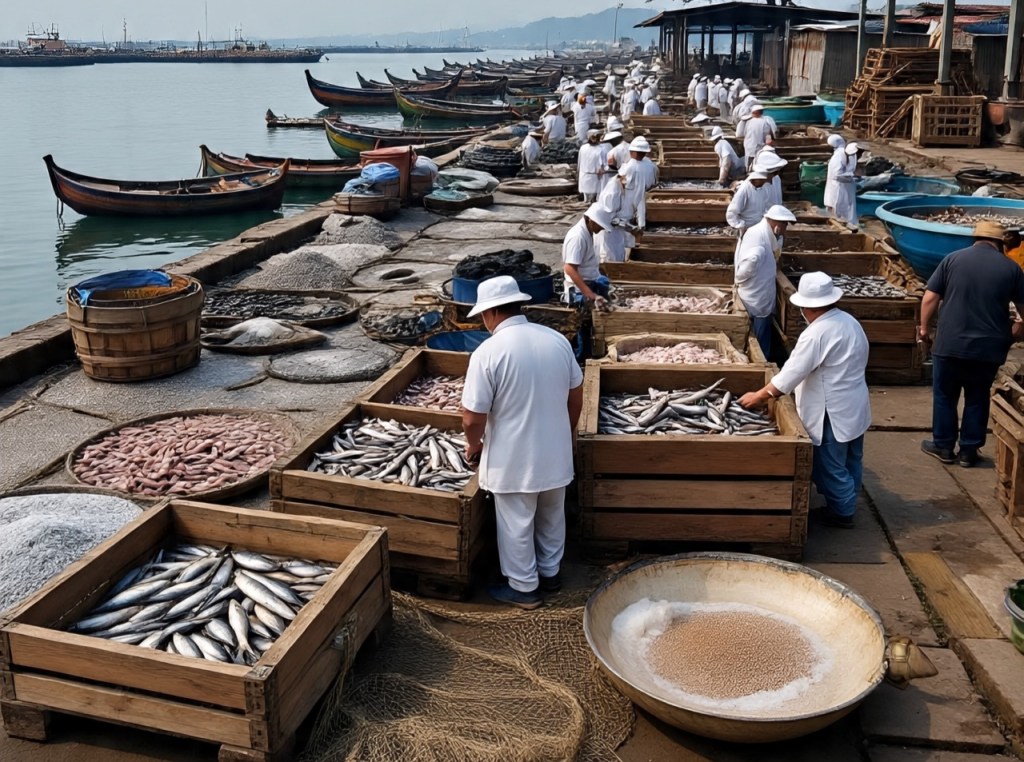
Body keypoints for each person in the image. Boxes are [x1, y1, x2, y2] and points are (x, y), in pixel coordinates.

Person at [461, 276, 584, 609]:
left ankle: (524, 588)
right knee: (551, 515)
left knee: (516, 522)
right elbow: (576, 395)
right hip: (556, 454)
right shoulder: (556, 340)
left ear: (491, 313)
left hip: (513, 459)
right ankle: (551, 573)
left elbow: (473, 417)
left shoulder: (488, 353)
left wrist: (474, 445)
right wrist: (565, 433)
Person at [739, 272, 871, 529]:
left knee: (829, 464)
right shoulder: (849, 321)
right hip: (855, 404)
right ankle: (848, 500)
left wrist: (759, 395)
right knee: (852, 459)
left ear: (807, 307)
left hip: (830, 410)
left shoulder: (817, 333)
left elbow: (792, 373)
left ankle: (842, 513)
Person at [919, 221, 1024, 467]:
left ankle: (943, 446)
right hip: (988, 348)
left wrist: (924, 329)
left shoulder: (952, 259)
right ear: (1000, 244)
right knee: (977, 397)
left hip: (950, 344)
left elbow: (930, 298)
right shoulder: (1012, 268)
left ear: (974, 239)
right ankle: (968, 451)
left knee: (945, 395)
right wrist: (1018, 330)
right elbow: (1022, 310)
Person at [734, 205, 796, 359]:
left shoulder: (764, 233)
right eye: (784, 224)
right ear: (775, 223)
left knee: (761, 331)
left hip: (759, 294)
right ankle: (762, 361)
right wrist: (738, 281)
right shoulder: (759, 246)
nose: (785, 228)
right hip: (755, 296)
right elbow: (744, 270)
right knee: (759, 338)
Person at [562, 202, 613, 304]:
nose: (602, 228)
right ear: (591, 220)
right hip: (578, 288)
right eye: (600, 225)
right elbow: (569, 268)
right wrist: (589, 293)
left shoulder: (588, 232)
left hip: (591, 279)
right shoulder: (578, 237)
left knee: (606, 284)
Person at [618, 136, 658, 232]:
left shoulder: (631, 165)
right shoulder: (650, 164)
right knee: (641, 214)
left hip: (630, 194)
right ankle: (641, 227)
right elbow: (654, 182)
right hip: (644, 193)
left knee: (627, 216)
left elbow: (621, 179)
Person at [726, 170, 770, 244]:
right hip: (747, 230)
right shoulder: (744, 189)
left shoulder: (763, 189)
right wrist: (741, 226)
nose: (764, 182)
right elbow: (731, 212)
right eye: (762, 180)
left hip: (759, 229)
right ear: (757, 179)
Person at [596, 171, 630, 263]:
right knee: (609, 253)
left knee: (617, 250)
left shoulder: (618, 187)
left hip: (616, 229)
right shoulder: (612, 192)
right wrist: (628, 225)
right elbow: (609, 216)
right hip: (609, 229)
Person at [827, 142, 859, 226]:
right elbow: (837, 175)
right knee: (842, 205)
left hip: (846, 185)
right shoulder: (839, 156)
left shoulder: (845, 155)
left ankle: (849, 222)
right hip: (841, 186)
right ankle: (844, 222)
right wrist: (850, 176)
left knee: (849, 205)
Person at [577, 129, 605, 202]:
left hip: (595, 176)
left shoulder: (601, 149)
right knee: (587, 197)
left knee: (594, 197)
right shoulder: (583, 148)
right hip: (585, 175)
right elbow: (579, 162)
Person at [823, 134, 847, 215]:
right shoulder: (841, 154)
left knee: (832, 202)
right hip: (838, 184)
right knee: (837, 205)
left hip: (834, 183)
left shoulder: (838, 153)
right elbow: (838, 173)